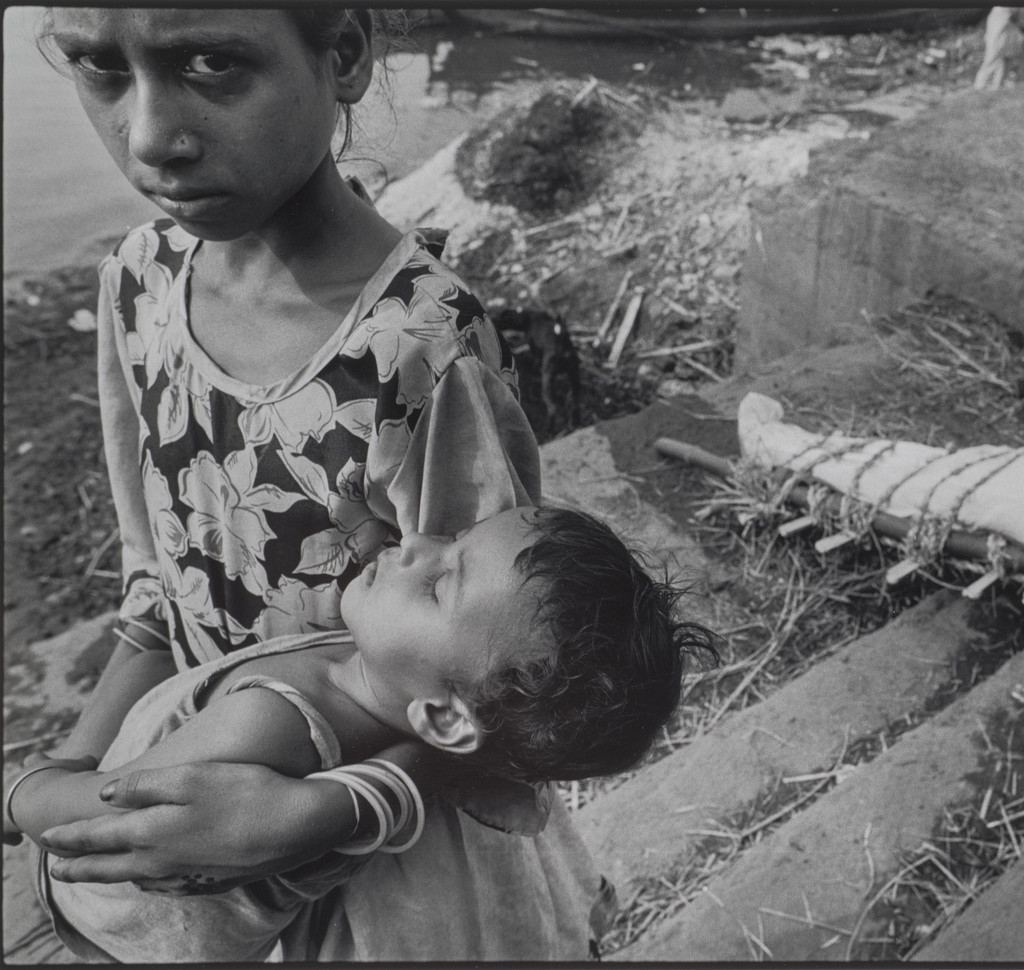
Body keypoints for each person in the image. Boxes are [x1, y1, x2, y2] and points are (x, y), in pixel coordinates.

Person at [21, 7, 616, 960]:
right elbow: (158, 584)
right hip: (194, 798)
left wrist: (320, 811)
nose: (147, 139)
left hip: (392, 866)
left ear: (341, 54)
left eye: (210, 64)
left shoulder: (419, 343)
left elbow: (504, 682)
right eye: (98, 67)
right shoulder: (137, 281)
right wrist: (78, 766)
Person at [6, 506, 716, 962]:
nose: (416, 543)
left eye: (440, 585)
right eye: (453, 540)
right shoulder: (407, 706)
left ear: (446, 717)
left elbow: (99, 821)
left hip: (110, 914)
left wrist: (25, 789)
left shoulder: (273, 722)